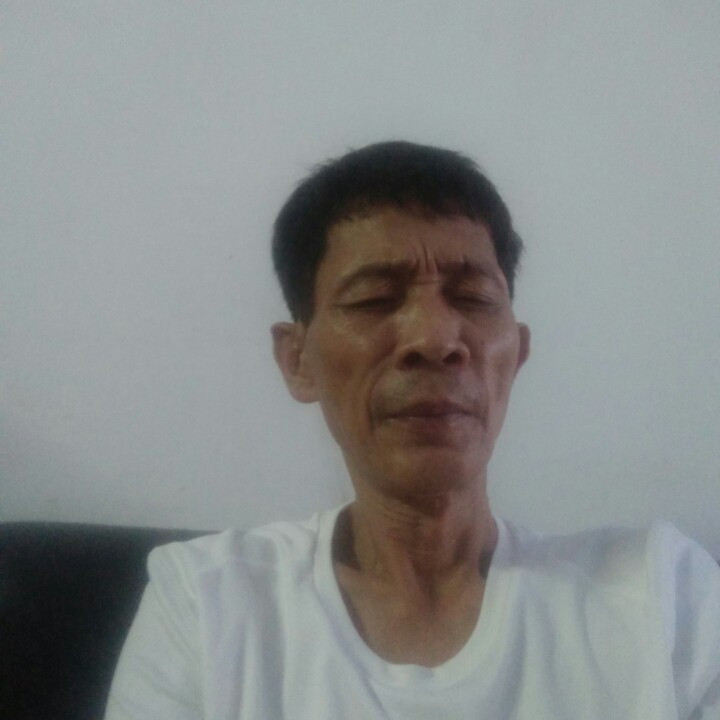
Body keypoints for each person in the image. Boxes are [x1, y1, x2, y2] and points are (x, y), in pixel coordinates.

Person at [105, 141, 720, 719]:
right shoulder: (207, 606)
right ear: (297, 360)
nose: (435, 338)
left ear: (517, 355)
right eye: (374, 299)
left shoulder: (662, 598)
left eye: (473, 298)